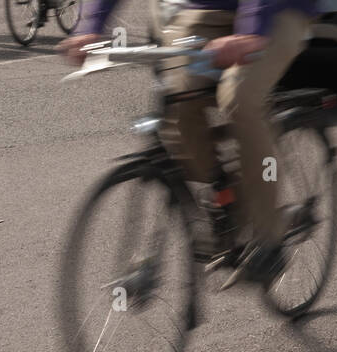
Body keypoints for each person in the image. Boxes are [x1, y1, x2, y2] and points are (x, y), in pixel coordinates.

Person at [58, 0, 319, 287]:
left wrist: (251, 30)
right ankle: (226, 198)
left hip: (275, 11)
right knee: (176, 102)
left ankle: (269, 239)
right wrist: (91, 27)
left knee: (239, 98)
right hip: (205, 10)